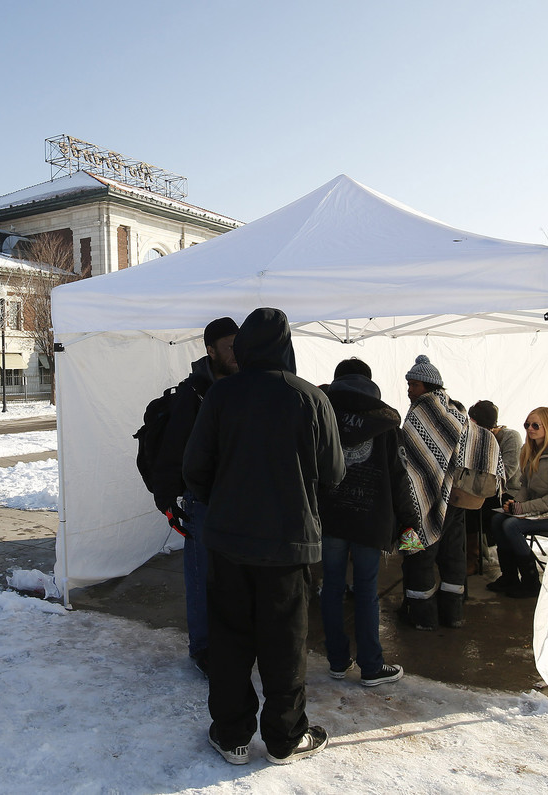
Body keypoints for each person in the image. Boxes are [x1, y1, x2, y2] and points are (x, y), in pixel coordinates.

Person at [183, 307, 345, 766]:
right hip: (288, 545)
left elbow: (195, 469)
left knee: (230, 643)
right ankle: (284, 738)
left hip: (230, 543)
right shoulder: (311, 398)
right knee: (285, 645)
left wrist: (226, 493)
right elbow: (334, 472)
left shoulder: (221, 396)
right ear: (286, 345)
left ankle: (233, 736)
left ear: (246, 346)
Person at [146, 316, 239, 676]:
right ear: (210, 350)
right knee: (201, 577)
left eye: (238, 345)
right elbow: (175, 449)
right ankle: (203, 647)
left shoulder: (244, 384)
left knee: (233, 579)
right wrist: (169, 499)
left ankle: (231, 641)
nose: (235, 352)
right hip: (203, 502)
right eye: (228, 346)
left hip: (237, 501)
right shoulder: (195, 390)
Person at [317, 358, 414, 687]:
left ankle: (337, 661)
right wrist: (410, 522)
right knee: (366, 592)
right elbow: (400, 477)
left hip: (330, 517)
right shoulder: (385, 424)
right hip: (371, 521)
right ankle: (371, 666)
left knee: (330, 588)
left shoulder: (322, 416)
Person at [398, 355, 501, 630]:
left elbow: (412, 459)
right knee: (453, 555)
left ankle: (422, 616)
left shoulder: (422, 411)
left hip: (421, 501)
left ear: (429, 386)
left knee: (418, 554)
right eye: (408, 384)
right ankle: (453, 613)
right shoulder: (455, 410)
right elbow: (475, 443)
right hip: (454, 501)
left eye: (414, 384)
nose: (409, 390)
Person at [488, 407, 548, 599]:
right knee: (497, 519)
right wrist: (514, 504)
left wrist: (522, 508)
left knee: (512, 525)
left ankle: (531, 581)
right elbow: (525, 486)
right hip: (536, 509)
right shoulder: (528, 451)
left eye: (536, 425)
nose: (530, 429)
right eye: (527, 424)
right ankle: (509, 576)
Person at [466, 400, 524, 571]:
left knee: (472, 509)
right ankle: (467, 554)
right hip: (484, 490)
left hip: (508, 492)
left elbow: (507, 472)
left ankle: (473, 558)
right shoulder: (475, 438)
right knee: (462, 506)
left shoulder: (510, 437)